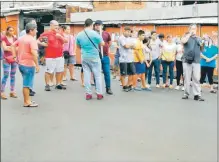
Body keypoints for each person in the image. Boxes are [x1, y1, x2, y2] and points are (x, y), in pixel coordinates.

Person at [11, 23, 40, 107]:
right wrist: (37, 65)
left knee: (26, 83)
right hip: (28, 64)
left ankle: (28, 100)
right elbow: (34, 53)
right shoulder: (32, 40)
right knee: (27, 84)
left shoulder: (21, 38)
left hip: (21, 64)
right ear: (31, 30)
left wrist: (14, 56)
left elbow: (12, 46)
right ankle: (26, 102)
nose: (36, 31)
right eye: (35, 29)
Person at [76, 18, 105, 100]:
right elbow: (102, 44)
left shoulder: (79, 34)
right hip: (95, 57)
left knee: (87, 76)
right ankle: (99, 94)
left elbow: (78, 47)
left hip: (84, 57)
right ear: (92, 25)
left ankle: (88, 94)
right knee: (97, 76)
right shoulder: (95, 34)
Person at [38, 20, 67, 91]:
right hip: (50, 56)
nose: (57, 27)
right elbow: (39, 43)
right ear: (51, 25)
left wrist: (60, 37)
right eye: (55, 26)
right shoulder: (46, 34)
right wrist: (42, 53)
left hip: (60, 55)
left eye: (58, 26)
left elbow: (66, 41)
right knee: (48, 71)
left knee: (59, 70)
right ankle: (47, 84)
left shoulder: (60, 33)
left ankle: (58, 84)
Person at [181, 24, 204, 101]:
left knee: (197, 78)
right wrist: (189, 34)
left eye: (195, 29)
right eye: (192, 29)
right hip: (187, 60)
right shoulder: (185, 36)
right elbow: (183, 41)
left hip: (196, 61)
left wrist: (202, 44)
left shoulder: (199, 38)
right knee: (187, 78)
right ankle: (186, 93)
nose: (194, 30)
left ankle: (197, 95)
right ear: (189, 29)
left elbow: (201, 49)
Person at [94, 20, 113, 95]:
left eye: (99, 25)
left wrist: (106, 48)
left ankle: (108, 88)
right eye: (96, 25)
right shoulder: (93, 34)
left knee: (107, 73)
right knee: (96, 73)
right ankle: (97, 88)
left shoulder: (106, 33)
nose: (98, 26)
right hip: (96, 56)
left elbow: (109, 42)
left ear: (102, 26)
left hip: (105, 56)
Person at [1, 26, 17, 100]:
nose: (11, 32)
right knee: (6, 75)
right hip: (6, 59)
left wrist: (10, 47)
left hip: (14, 58)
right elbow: (4, 48)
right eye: (10, 30)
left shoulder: (15, 38)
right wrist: (12, 48)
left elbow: (17, 48)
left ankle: (12, 91)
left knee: (13, 75)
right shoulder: (3, 38)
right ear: (7, 31)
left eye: (12, 30)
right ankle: (2, 92)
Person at [118, 26, 136, 92]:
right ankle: (124, 86)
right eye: (127, 31)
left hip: (130, 59)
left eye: (129, 32)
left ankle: (129, 85)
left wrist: (130, 45)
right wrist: (130, 45)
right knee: (124, 74)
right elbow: (126, 46)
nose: (128, 33)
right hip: (123, 59)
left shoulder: (130, 38)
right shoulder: (121, 38)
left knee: (131, 73)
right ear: (124, 31)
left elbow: (134, 46)